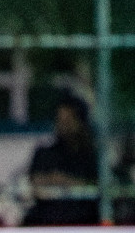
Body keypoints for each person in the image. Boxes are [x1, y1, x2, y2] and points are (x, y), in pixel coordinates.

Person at [23, 93, 100, 225]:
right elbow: (33, 182)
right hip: (47, 222)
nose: (63, 126)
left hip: (84, 222)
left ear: (80, 122)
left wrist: (67, 181)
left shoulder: (92, 156)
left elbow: (98, 185)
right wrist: (51, 180)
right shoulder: (45, 153)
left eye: (68, 121)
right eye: (60, 121)